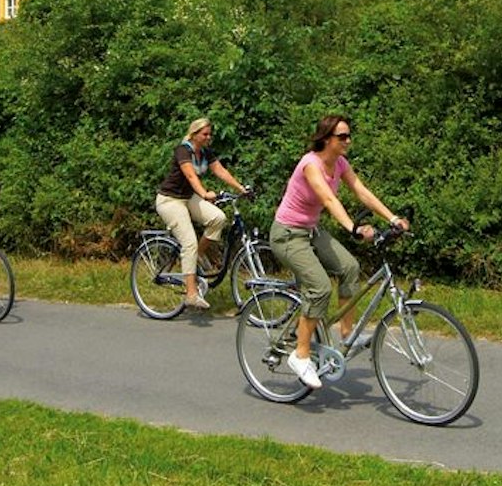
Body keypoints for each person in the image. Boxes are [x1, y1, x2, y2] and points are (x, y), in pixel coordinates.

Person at [270, 114, 407, 388]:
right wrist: (353, 228)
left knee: (350, 268)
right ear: (326, 138)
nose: (348, 140)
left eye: (348, 135)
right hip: (287, 234)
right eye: (342, 136)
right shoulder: (311, 164)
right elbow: (328, 199)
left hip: (311, 231)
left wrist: (392, 218)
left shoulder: (340, 163)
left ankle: (347, 333)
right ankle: (301, 355)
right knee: (319, 288)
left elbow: (361, 191)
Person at [154, 117, 249, 311]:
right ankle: (191, 294)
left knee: (218, 218)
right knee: (189, 242)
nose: (208, 137)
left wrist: (241, 189)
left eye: (209, 134)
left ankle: (195, 256)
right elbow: (190, 175)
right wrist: (204, 193)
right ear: (194, 134)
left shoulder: (205, 152)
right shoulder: (183, 150)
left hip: (188, 197)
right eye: (205, 134)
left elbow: (219, 170)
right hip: (170, 200)